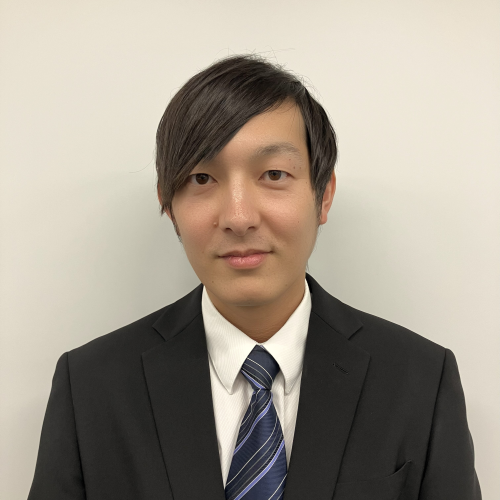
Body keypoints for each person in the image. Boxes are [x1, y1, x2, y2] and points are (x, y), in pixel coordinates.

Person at [28, 54, 481, 500]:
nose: (238, 217)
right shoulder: (90, 388)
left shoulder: (420, 381)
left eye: (274, 173)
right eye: (201, 178)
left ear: (323, 196)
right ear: (168, 204)